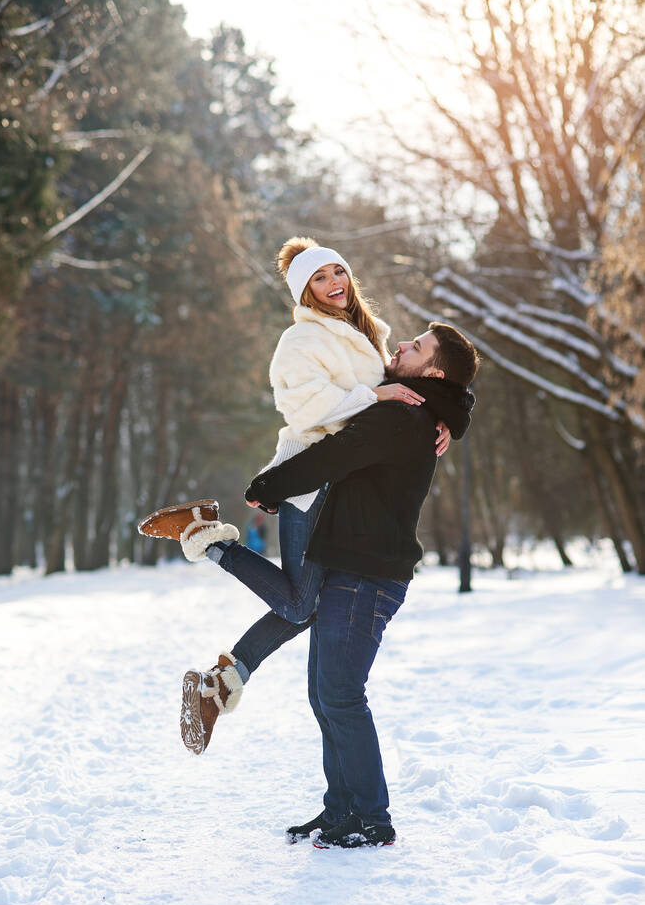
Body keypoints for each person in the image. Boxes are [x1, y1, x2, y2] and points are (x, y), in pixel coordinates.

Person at [182, 323, 480, 848]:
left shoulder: (406, 415)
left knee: (341, 696)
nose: (403, 345)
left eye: (417, 347)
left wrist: (268, 486)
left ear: (433, 372)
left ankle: (371, 818)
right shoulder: (417, 413)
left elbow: (333, 456)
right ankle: (341, 810)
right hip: (352, 569)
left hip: (368, 577)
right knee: (327, 696)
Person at [141, 237, 451, 732]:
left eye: (338, 272)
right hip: (309, 474)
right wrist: (374, 395)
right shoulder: (301, 342)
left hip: (344, 484)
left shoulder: (369, 334)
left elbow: (427, 379)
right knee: (301, 604)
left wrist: (446, 421)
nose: (333, 284)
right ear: (304, 292)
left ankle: (222, 681)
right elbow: (305, 409)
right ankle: (205, 538)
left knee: (305, 606)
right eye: (319, 278)